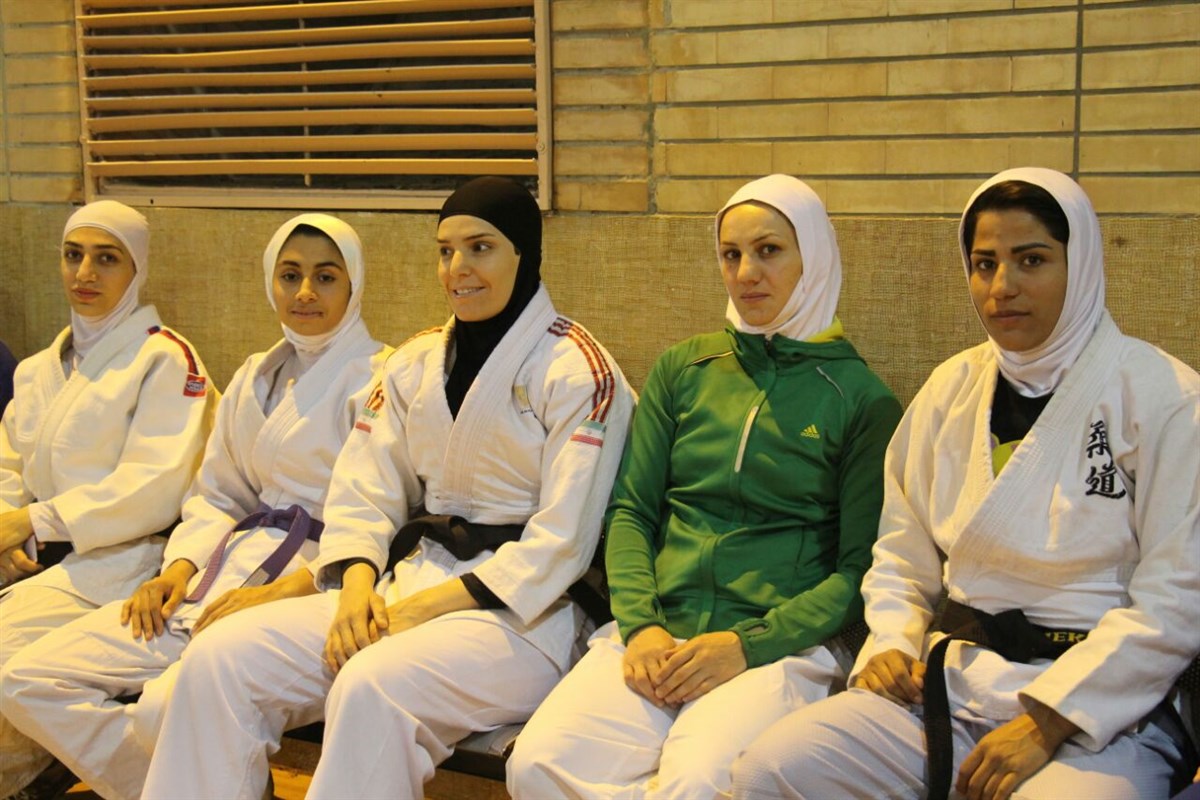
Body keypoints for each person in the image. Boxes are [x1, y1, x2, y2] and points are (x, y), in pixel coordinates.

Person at [139, 176, 636, 800]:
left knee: (372, 682)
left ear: (524, 253)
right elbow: (364, 489)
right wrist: (356, 588)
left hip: (528, 617)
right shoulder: (415, 362)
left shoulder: (580, 371)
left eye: (480, 248)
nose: (458, 268)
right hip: (408, 582)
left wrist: (418, 612)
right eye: (445, 251)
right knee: (221, 659)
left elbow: (564, 540)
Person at [732, 168, 1200, 800]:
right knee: (772, 769)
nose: (1002, 287)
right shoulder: (951, 389)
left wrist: (1048, 721)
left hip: (1104, 709)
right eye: (985, 264)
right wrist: (892, 642)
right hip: (952, 684)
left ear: (1081, 263)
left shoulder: (1165, 399)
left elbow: (1176, 601)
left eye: (1031, 260)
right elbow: (901, 554)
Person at [507, 174, 903, 800]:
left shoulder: (861, 400)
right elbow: (632, 512)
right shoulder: (684, 369)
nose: (746, 273)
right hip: (659, 634)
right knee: (537, 765)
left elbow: (859, 573)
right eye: (730, 254)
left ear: (813, 256)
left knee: (697, 782)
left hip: (779, 649)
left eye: (769, 251)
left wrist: (747, 645)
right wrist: (641, 626)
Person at [0, 214, 389, 800]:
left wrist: (284, 591)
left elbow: (380, 511)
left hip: (316, 578)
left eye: (325, 277)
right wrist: (178, 570)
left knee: (164, 707)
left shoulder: (381, 377)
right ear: (271, 282)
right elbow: (216, 495)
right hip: (221, 570)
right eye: (290, 275)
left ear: (354, 285)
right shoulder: (255, 375)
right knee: (27, 678)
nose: (305, 292)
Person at [0, 200, 215, 796]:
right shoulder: (39, 368)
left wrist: (35, 521)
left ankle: (183, 785)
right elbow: (8, 464)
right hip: (30, 558)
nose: (85, 273)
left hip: (117, 563)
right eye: (73, 255)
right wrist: (8, 527)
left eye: (106, 258)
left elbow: (155, 484)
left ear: (137, 268)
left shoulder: (164, 358)